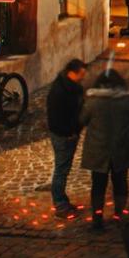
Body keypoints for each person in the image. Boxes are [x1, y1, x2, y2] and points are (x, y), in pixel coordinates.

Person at [81, 68, 129, 231]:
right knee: (120, 184)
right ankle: (119, 215)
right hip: (121, 149)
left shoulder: (92, 101)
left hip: (98, 150)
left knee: (98, 186)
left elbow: (83, 119)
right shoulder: (127, 100)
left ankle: (97, 220)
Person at [47, 59, 88, 215]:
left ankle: (62, 199)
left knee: (63, 169)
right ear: (72, 72)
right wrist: (70, 132)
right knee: (61, 170)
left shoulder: (70, 87)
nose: (83, 77)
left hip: (68, 134)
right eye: (81, 74)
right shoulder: (61, 91)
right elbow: (58, 116)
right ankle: (60, 204)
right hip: (63, 135)